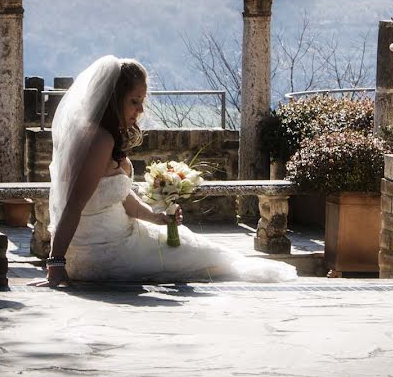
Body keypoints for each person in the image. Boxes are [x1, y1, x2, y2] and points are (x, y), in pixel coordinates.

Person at [39, 55, 297, 287]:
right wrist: (56, 265)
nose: (140, 110)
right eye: (134, 101)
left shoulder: (102, 136)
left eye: (142, 101)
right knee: (207, 258)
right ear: (113, 99)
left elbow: (116, 196)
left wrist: (156, 217)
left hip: (114, 240)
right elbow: (73, 204)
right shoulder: (100, 140)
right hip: (104, 252)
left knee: (200, 250)